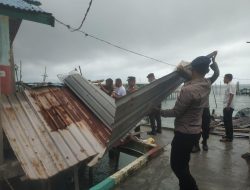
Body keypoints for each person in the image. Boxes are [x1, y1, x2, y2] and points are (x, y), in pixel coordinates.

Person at [158, 55, 216, 190]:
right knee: (183, 164)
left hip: (183, 134)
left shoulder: (187, 90)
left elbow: (175, 112)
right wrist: (185, 72)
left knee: (177, 167)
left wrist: (157, 111)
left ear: (193, 69)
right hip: (195, 132)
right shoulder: (206, 84)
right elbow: (195, 77)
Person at [220, 73, 236, 142]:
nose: (223, 79)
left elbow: (231, 95)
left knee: (228, 122)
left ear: (228, 78)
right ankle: (228, 135)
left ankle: (229, 138)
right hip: (227, 106)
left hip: (228, 107)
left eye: (224, 78)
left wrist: (228, 105)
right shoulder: (229, 85)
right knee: (226, 122)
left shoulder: (231, 84)